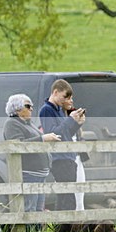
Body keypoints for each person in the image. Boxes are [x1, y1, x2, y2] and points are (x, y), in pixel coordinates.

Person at [3, 94, 60, 217]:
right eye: (28, 106)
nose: (31, 109)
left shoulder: (28, 123)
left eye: (31, 106)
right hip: (29, 174)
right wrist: (43, 138)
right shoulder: (12, 124)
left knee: (38, 210)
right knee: (30, 210)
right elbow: (18, 145)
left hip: (39, 174)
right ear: (17, 109)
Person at [38, 79, 85, 213]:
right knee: (67, 196)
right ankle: (65, 228)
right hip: (60, 158)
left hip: (68, 156)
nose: (66, 100)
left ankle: (64, 229)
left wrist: (77, 123)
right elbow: (54, 134)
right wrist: (70, 119)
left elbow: (66, 133)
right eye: (65, 96)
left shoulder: (59, 109)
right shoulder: (46, 110)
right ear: (55, 92)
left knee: (68, 195)